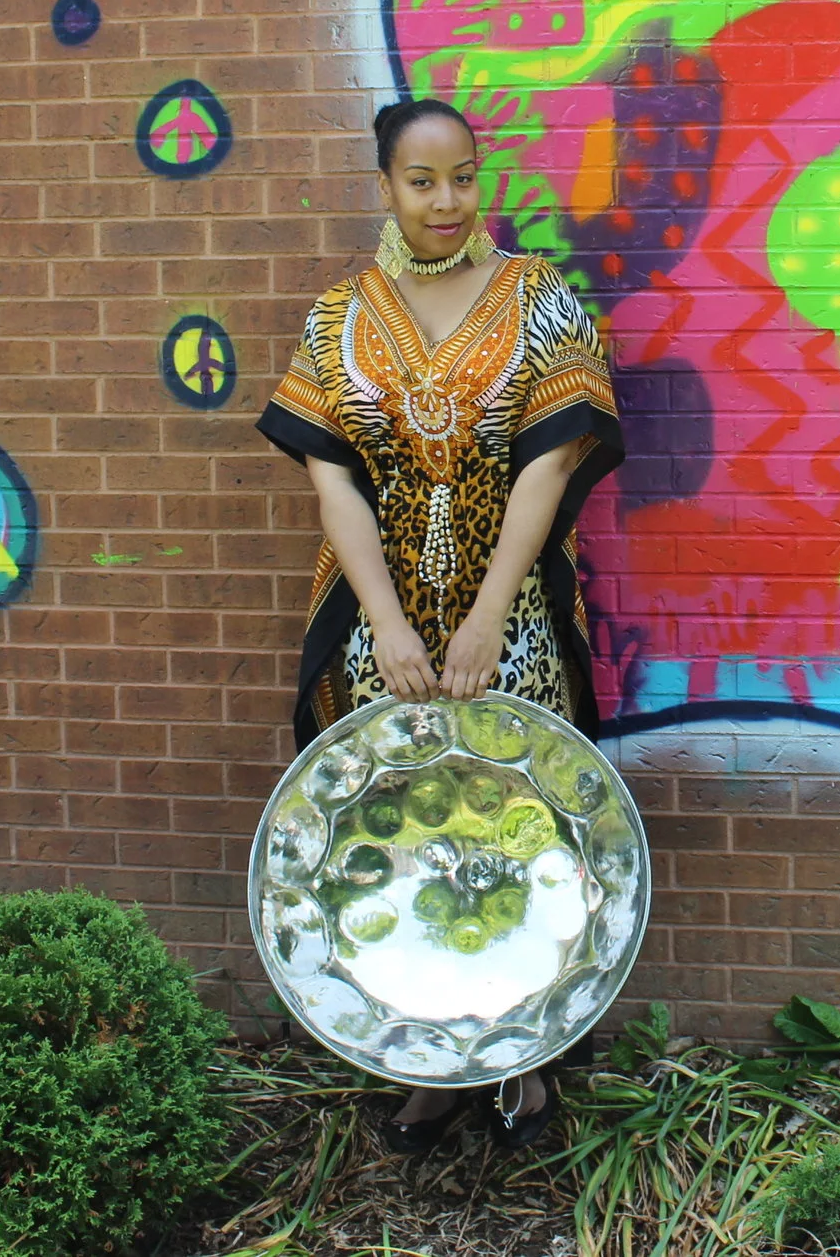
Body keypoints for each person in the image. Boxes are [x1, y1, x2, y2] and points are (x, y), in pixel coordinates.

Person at [257, 96, 623, 1153]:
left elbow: (551, 461)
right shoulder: (339, 317)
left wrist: (490, 615)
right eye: (421, 181)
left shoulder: (539, 299)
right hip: (386, 634)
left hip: (510, 625)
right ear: (386, 187)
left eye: (463, 175)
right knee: (401, 828)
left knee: (519, 825)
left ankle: (523, 1064)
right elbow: (332, 481)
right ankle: (425, 1065)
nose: (446, 199)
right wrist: (385, 623)